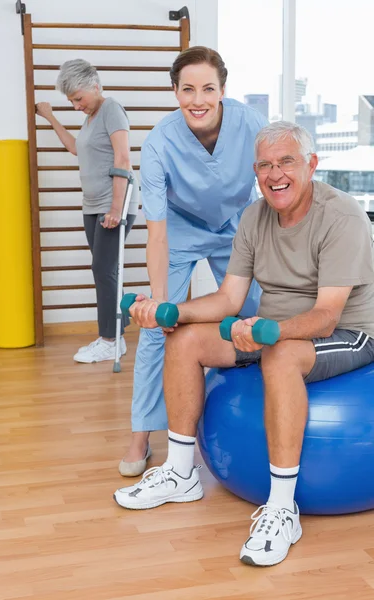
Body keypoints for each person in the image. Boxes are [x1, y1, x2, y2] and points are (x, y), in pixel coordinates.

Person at [114, 121, 374, 567]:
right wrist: (165, 309)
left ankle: (281, 508)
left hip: (349, 334)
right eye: (265, 165)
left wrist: (262, 331)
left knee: (280, 356)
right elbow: (228, 298)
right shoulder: (254, 217)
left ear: (311, 164)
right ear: (256, 172)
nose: (276, 174)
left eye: (287, 162)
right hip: (272, 328)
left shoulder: (341, 214)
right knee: (185, 340)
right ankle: (181, 471)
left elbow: (327, 315)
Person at [120, 46, 267, 476]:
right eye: (187, 89)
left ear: (223, 91)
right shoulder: (160, 143)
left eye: (207, 88)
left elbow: (275, 184)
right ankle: (141, 436)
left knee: (256, 310)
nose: (197, 99)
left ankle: (260, 405)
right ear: (175, 91)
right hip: (180, 230)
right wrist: (162, 304)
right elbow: (158, 233)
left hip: (236, 224)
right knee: (155, 328)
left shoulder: (250, 124)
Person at [36, 59, 138, 363]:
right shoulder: (90, 118)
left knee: (102, 270)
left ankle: (110, 339)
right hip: (93, 206)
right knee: (106, 271)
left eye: (79, 99)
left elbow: (123, 158)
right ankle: (114, 334)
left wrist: (116, 208)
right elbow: (76, 148)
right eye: (71, 101)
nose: (76, 106)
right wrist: (51, 117)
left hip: (113, 205)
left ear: (95, 86)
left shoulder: (111, 109)